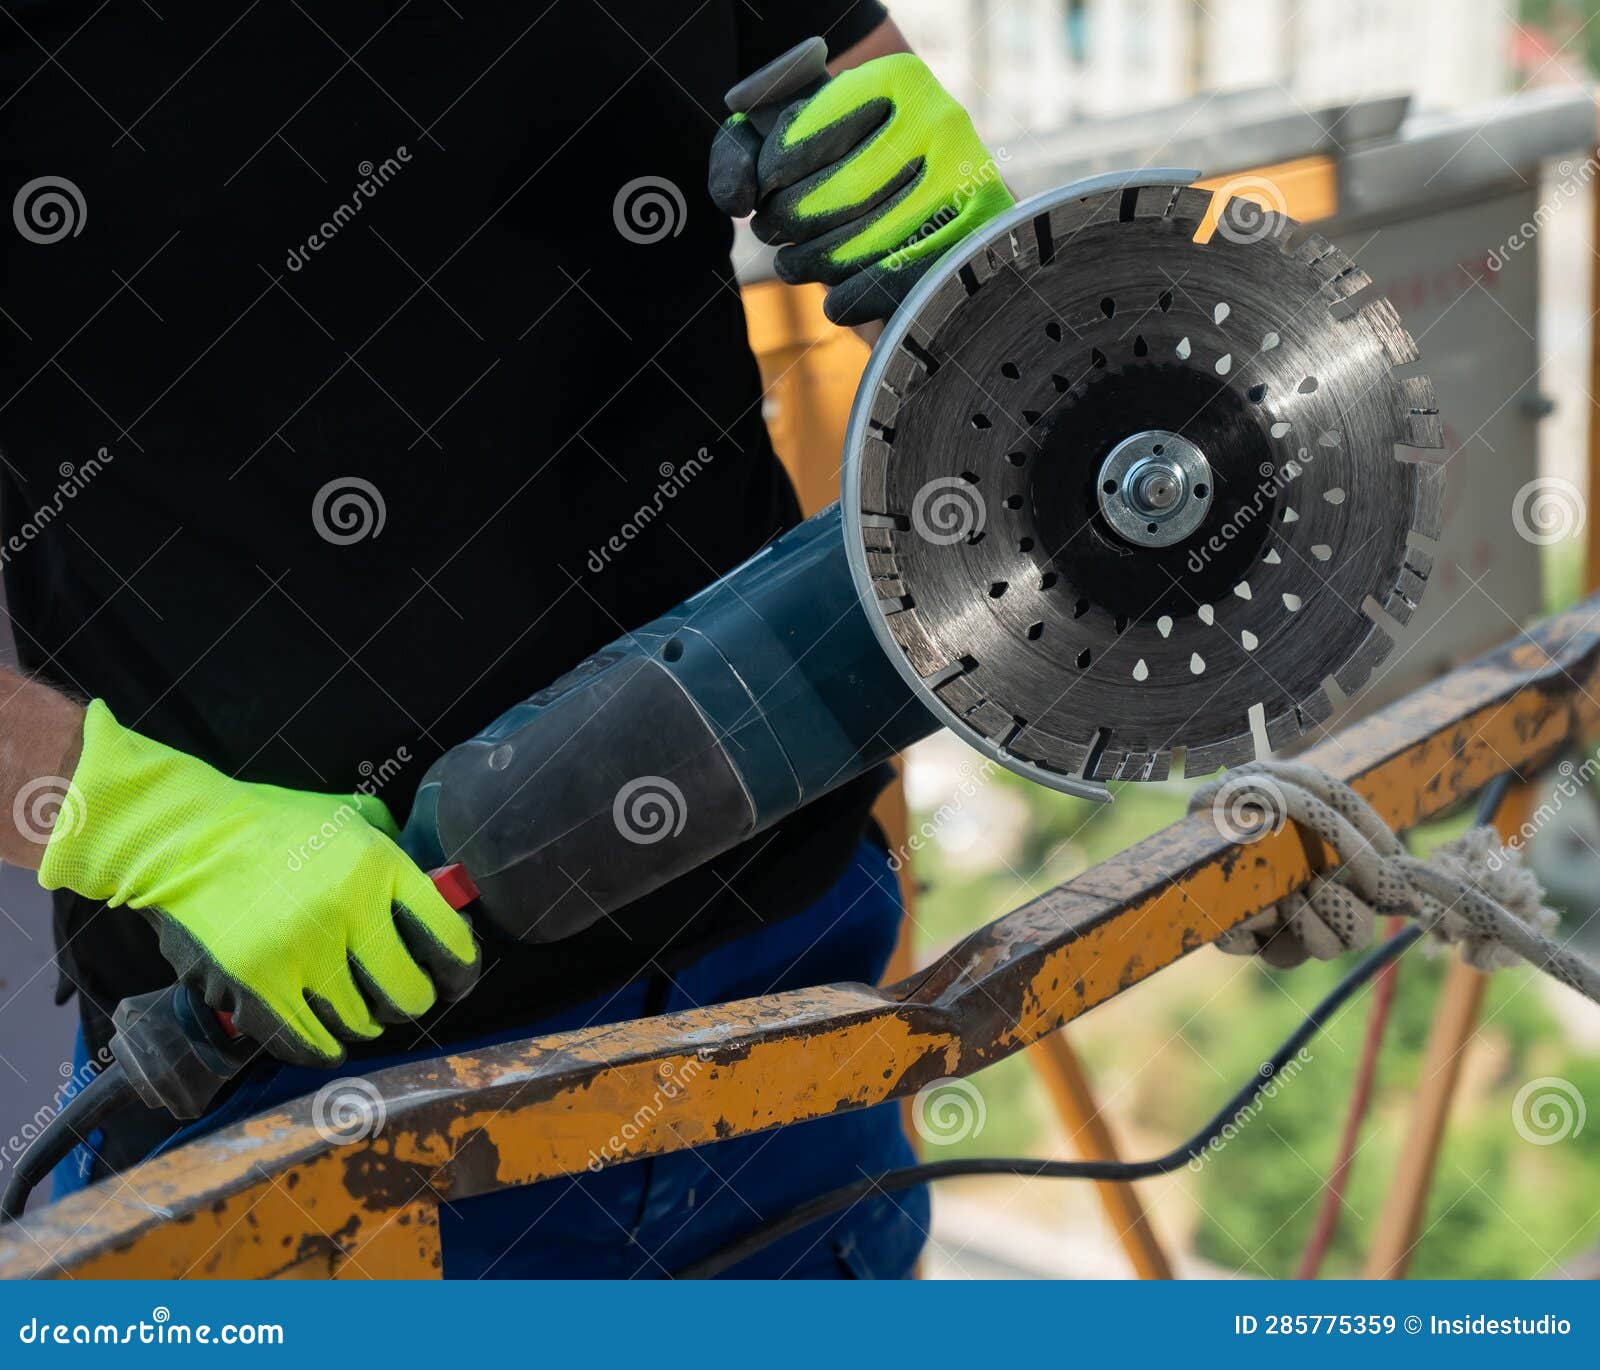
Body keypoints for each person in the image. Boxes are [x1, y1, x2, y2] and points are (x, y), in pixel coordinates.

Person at [0, 1, 1009, 1278]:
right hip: (302, 1095)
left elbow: (889, 143)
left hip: (782, 975)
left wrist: (971, 256)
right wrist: (145, 823)